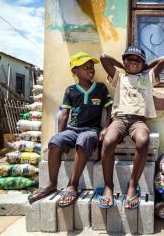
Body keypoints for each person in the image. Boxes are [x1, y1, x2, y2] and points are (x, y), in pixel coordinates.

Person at [28, 51, 113, 207]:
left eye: (92, 67)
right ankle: (52, 183)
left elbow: (110, 110)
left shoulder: (101, 88)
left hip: (91, 130)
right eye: (86, 67)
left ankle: (72, 184)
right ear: (75, 71)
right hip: (72, 129)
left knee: (84, 139)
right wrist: (61, 138)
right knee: (54, 142)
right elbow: (64, 114)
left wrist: (105, 128)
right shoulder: (70, 90)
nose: (91, 70)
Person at [99, 45, 164, 209]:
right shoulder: (120, 77)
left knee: (143, 140)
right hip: (119, 119)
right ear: (124, 61)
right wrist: (123, 66)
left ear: (142, 63)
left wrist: (145, 66)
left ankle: (132, 185)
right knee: (108, 142)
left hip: (138, 121)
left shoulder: (148, 76)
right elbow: (103, 57)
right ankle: (108, 186)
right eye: (129, 59)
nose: (133, 62)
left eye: (137, 60)